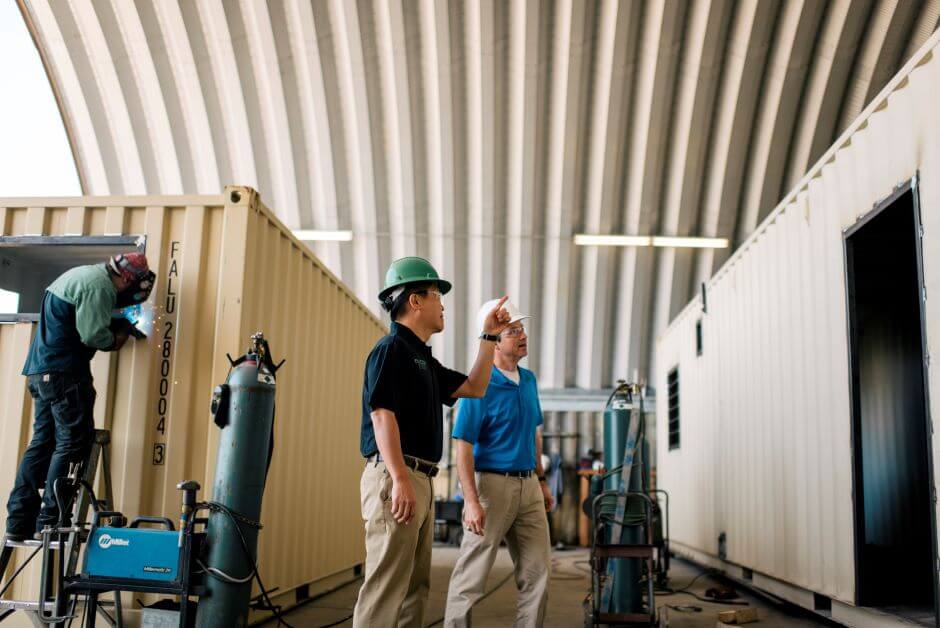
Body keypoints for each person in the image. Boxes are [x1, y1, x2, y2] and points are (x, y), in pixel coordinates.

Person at [353, 257, 511, 628]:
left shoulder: (421, 357)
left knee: (414, 588)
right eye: (437, 296)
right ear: (415, 301)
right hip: (397, 476)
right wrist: (401, 480)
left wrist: (488, 337)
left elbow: (475, 386)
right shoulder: (391, 349)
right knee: (386, 587)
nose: (443, 306)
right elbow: (381, 415)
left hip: (417, 477)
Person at [4, 253, 154, 541]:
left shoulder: (82, 275)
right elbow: (92, 334)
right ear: (125, 277)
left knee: (42, 443)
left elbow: (76, 319)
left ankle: (19, 520)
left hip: (40, 373)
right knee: (72, 443)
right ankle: (51, 521)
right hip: (65, 376)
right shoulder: (100, 287)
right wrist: (119, 335)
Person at [444, 299, 552, 628]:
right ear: (493, 339)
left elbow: (534, 433)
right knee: (471, 576)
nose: (522, 335)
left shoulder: (529, 380)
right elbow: (464, 445)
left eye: (523, 329)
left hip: (529, 487)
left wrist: (542, 480)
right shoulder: (480, 384)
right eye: (513, 331)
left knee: (538, 572)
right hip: (492, 487)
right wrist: (471, 501)